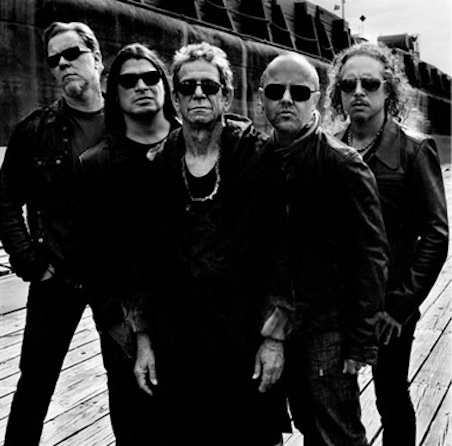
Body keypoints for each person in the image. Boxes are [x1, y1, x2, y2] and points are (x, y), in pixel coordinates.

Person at [133, 41, 293, 446]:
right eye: (188, 87)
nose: (199, 94)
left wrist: (274, 337)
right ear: (175, 98)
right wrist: (143, 338)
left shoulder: (257, 156)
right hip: (179, 345)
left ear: (226, 94)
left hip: (244, 340)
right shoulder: (158, 164)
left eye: (209, 85)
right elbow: (145, 262)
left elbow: (282, 252)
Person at [260, 52, 389, 445]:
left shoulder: (342, 164)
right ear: (261, 97)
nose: (286, 99)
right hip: (276, 325)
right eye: (275, 91)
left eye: (299, 92)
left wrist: (361, 341)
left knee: (338, 433)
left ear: (315, 98)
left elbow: (372, 256)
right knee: (303, 423)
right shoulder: (257, 158)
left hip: (328, 329)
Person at [327, 41, 449, 446]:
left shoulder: (414, 150)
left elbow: (436, 233)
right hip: (338, 301)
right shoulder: (329, 147)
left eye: (370, 83)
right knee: (334, 396)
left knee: (391, 396)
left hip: (388, 304)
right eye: (348, 85)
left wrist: (400, 306)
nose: (358, 92)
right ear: (338, 93)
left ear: (388, 90)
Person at [0, 21, 106, 445]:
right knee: (35, 383)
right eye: (54, 59)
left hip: (116, 280)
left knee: (132, 382)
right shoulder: (35, 130)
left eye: (72, 53)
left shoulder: (130, 122)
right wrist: (29, 261)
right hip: (56, 275)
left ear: (97, 58)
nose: (63, 64)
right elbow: (4, 201)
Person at [78, 42, 180, 445]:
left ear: (165, 85)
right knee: (137, 429)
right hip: (126, 328)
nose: (142, 86)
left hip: (195, 322)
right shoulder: (96, 165)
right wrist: (121, 330)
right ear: (114, 93)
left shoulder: (194, 146)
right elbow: (92, 259)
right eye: (129, 80)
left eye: (151, 77)